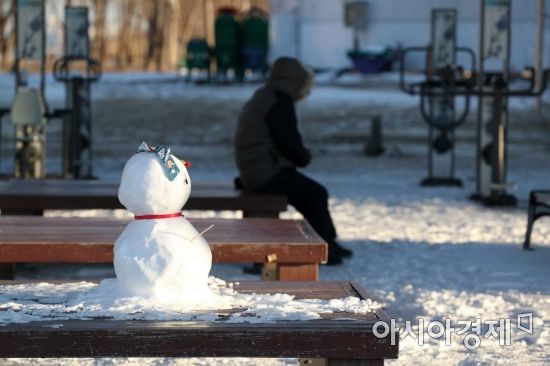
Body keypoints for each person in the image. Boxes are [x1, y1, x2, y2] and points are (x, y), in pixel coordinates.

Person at [234, 57, 352, 265]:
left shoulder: (266, 95)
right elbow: (289, 143)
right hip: (264, 172)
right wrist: (304, 156)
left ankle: (327, 242)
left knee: (308, 193)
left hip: (256, 169)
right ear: (295, 83)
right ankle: (325, 247)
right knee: (315, 193)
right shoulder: (279, 103)